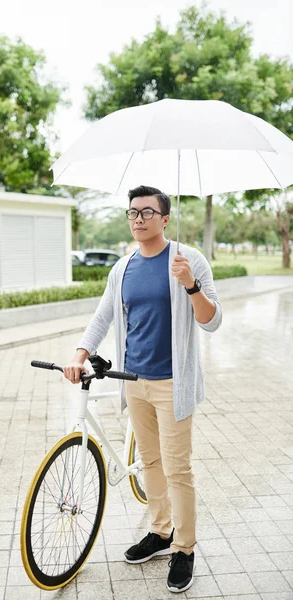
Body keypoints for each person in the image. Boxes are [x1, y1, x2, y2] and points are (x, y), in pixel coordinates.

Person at [64, 185, 222, 594]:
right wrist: (81, 353)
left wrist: (190, 285)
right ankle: (160, 531)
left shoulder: (188, 260)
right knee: (150, 462)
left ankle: (184, 549)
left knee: (177, 468)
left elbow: (212, 321)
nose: (138, 218)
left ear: (165, 218)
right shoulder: (123, 267)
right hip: (133, 382)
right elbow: (103, 317)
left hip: (173, 383)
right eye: (132, 212)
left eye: (147, 212)